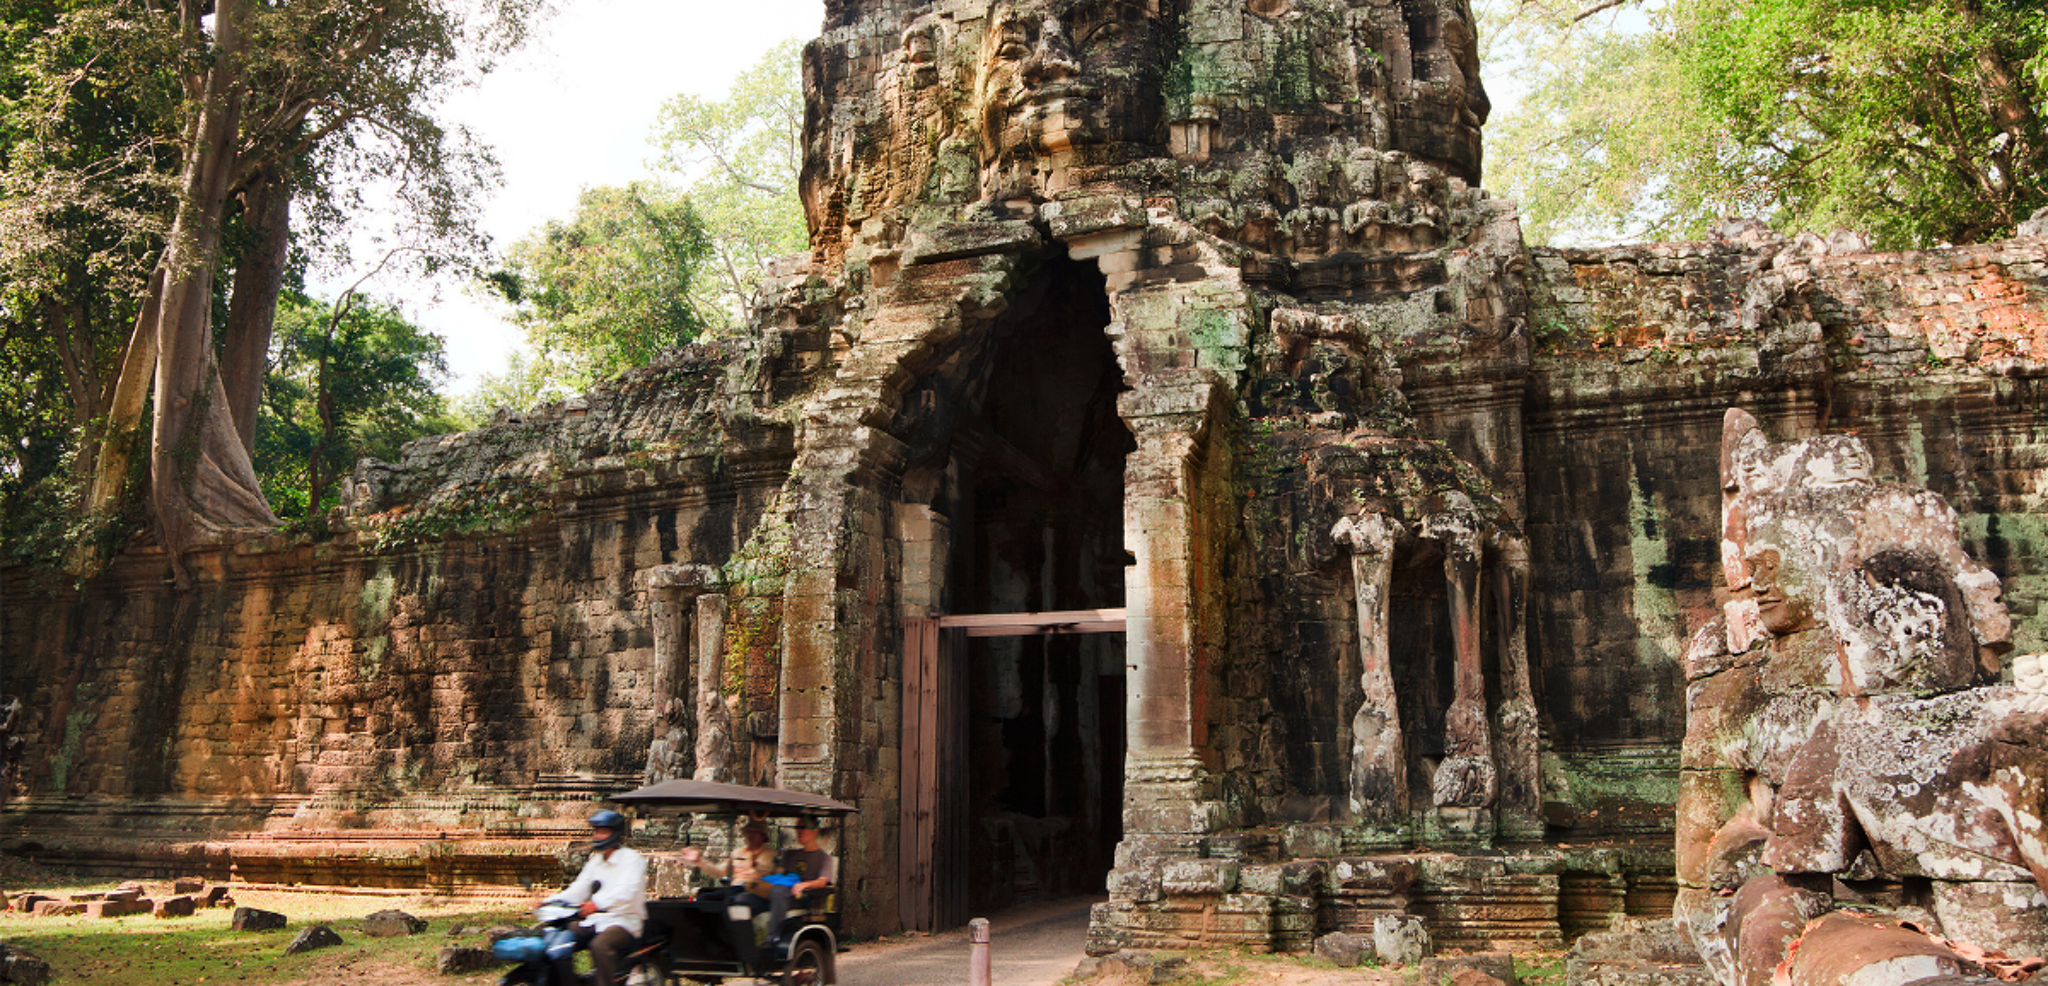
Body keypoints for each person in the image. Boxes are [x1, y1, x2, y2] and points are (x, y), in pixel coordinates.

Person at [541, 809, 647, 986]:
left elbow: (627, 892)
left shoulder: (632, 860)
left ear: (615, 833)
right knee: (560, 938)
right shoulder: (596, 862)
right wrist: (549, 901)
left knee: (600, 946)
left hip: (625, 921)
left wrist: (597, 903)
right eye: (596, 831)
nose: (598, 836)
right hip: (596, 920)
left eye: (603, 831)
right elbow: (577, 889)